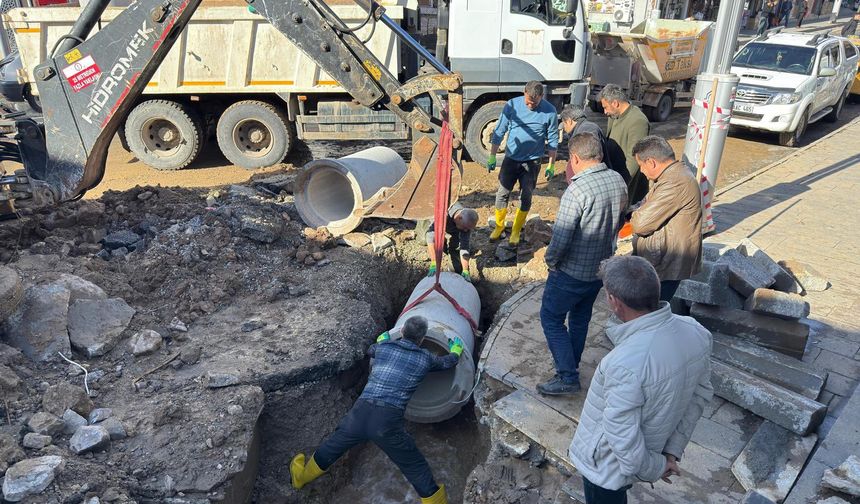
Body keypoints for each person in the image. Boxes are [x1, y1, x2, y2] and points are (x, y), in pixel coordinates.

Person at [569, 255, 713, 504]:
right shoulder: (696, 331)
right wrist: (671, 451)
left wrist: (657, 467)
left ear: (614, 302)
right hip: (650, 450)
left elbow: (621, 437)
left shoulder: (624, 363)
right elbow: (699, 396)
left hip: (605, 467)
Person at [290, 316, 464, 504]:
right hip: (386, 421)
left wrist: (383, 340)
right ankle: (435, 502)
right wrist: (456, 351)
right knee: (413, 464)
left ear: (403, 331)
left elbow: (371, 349)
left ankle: (301, 477)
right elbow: (448, 362)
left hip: (359, 413)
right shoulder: (425, 358)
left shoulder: (383, 348)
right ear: (421, 340)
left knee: (331, 448)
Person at [538, 133, 628, 396]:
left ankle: (567, 376)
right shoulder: (617, 180)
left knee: (551, 318)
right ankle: (571, 364)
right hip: (599, 269)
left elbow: (562, 236)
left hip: (570, 272)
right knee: (580, 319)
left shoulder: (576, 191)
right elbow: (620, 220)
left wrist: (551, 261)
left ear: (575, 158)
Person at [629, 136, 703, 303]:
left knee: (651, 313)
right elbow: (643, 203)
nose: (641, 171)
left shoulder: (674, 182)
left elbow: (640, 225)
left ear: (652, 162)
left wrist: (635, 215)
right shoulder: (669, 176)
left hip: (666, 262)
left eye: (641, 165)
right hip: (663, 259)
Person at [487, 81, 559, 246]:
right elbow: (500, 130)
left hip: (532, 161)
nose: (530, 105)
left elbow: (553, 138)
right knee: (502, 193)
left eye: (534, 102)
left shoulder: (549, 111)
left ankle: (516, 230)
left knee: (526, 196)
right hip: (511, 159)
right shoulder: (512, 105)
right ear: (524, 93)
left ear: (541, 96)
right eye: (527, 101)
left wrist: (551, 164)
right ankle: (499, 226)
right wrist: (492, 155)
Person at [599, 84, 650, 206]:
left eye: (606, 107)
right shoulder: (614, 115)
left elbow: (634, 159)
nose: (605, 112)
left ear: (615, 103)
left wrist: (620, 185)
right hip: (614, 173)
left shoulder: (638, 121)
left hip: (626, 180)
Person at [559, 105, 628, 185]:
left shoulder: (587, 130)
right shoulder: (583, 129)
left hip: (592, 182)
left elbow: (590, 159)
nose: (564, 127)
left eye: (564, 123)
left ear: (569, 121)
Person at [425, 202, 478, 281]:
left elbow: (464, 247)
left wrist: (465, 270)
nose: (466, 230)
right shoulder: (443, 213)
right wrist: (433, 263)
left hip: (453, 229)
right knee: (424, 239)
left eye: (468, 229)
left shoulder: (466, 225)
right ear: (459, 217)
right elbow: (430, 237)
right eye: (465, 228)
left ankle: (455, 270)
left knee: (455, 250)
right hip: (432, 217)